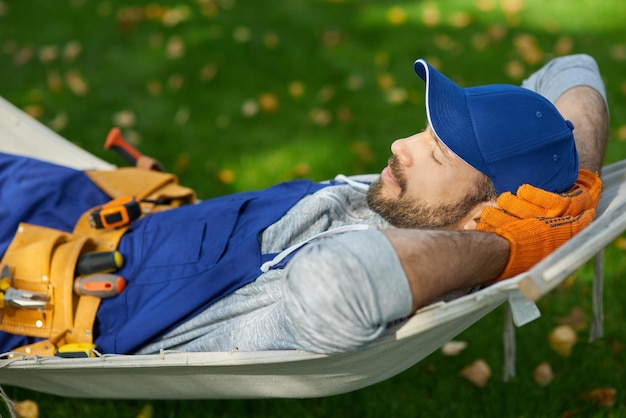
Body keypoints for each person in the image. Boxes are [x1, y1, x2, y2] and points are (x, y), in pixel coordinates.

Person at [0, 54, 608, 356]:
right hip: (86, 207)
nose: (400, 147)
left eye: (438, 156)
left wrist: (508, 249)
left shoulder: (368, 277)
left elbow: (334, 285)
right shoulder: (416, 205)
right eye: (424, 132)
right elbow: (572, 69)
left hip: (35, 282)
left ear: (479, 219)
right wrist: (572, 187)